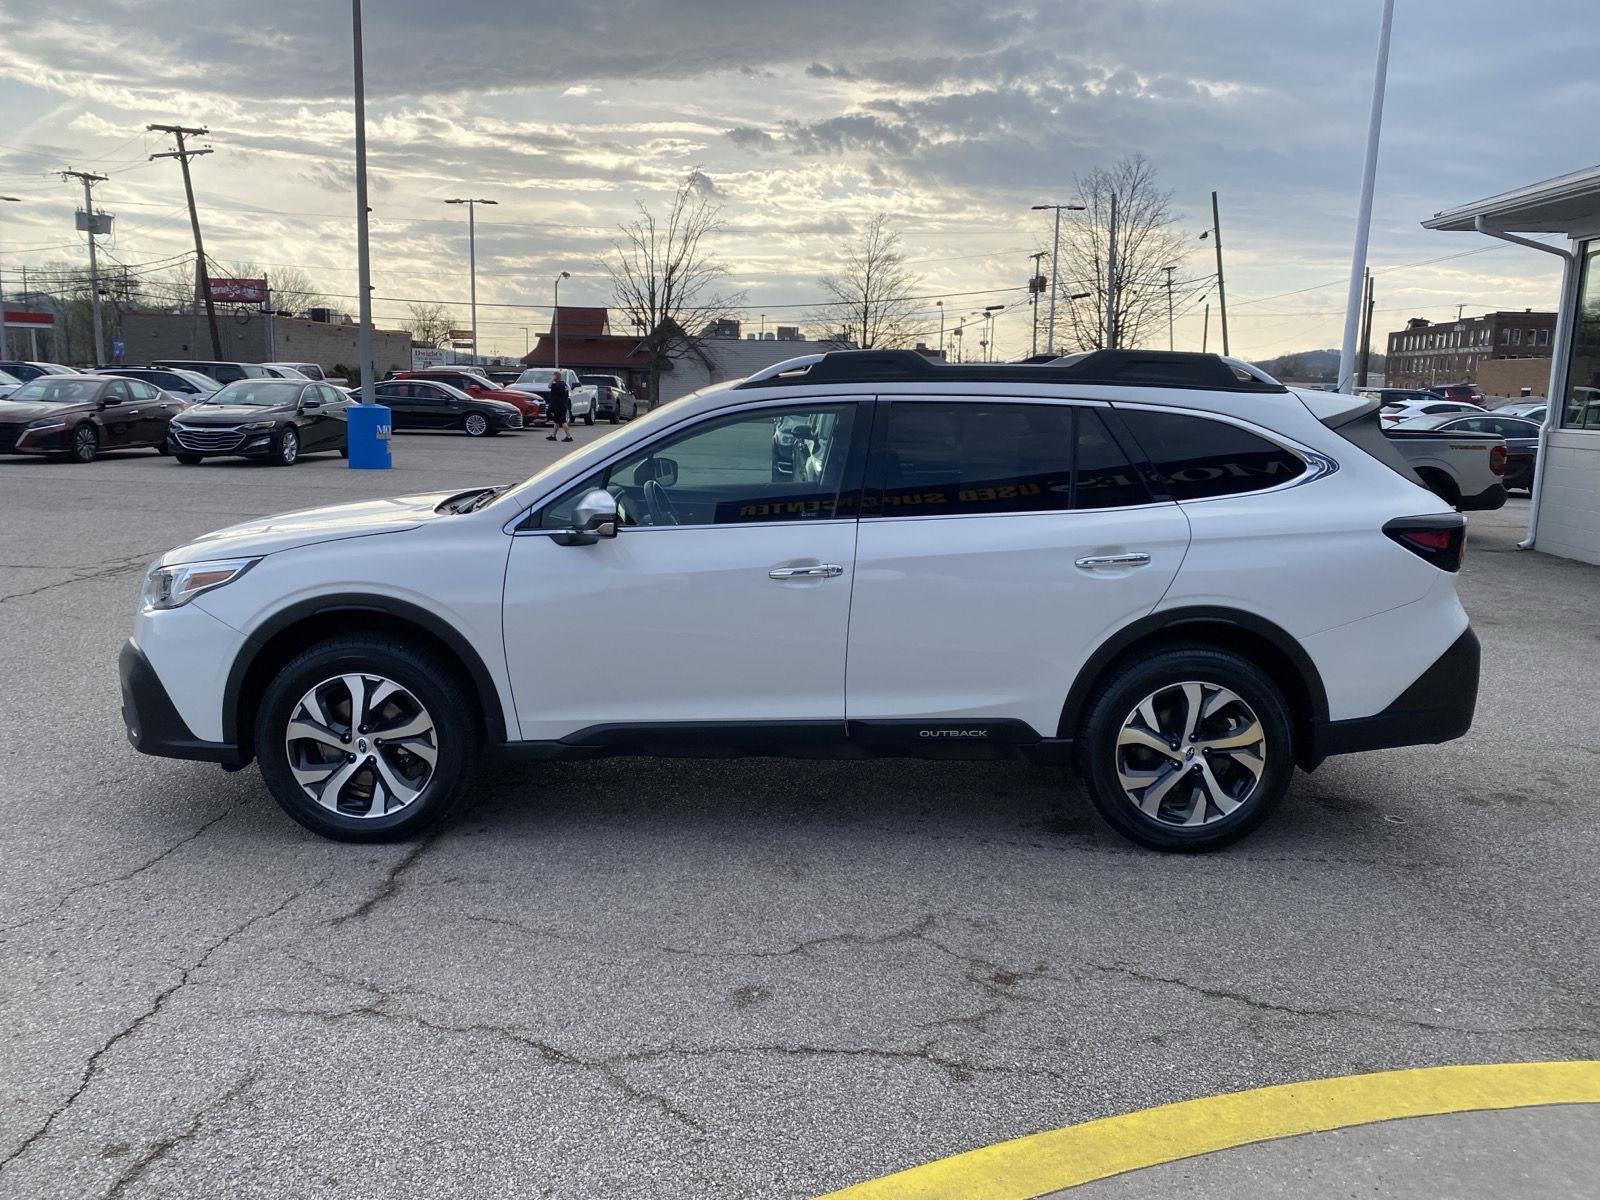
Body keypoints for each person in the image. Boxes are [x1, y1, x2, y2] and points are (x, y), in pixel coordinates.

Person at [545, 372, 573, 442]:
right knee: (557, 421)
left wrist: (552, 379)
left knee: (563, 421)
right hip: (563, 405)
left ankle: (569, 436)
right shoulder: (564, 384)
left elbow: (549, 386)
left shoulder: (557, 385)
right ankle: (553, 436)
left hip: (558, 406)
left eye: (553, 376)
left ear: (556, 377)